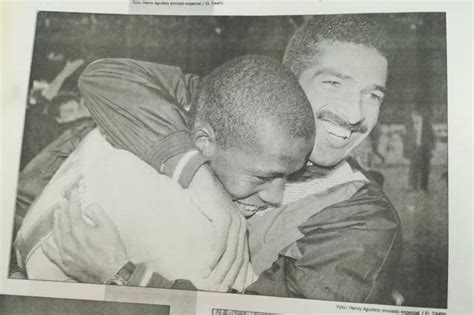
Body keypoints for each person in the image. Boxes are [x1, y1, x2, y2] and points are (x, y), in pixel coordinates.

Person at [16, 15, 402, 304]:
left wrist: (122, 277)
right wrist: (203, 182)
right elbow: (106, 76)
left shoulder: (361, 219)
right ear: (287, 79)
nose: (355, 114)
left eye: (374, 95)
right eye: (333, 82)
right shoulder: (232, 104)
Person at [14, 55, 315, 292]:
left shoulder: (125, 128)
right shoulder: (210, 240)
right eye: (263, 177)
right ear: (203, 143)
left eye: (289, 177)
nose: (277, 196)